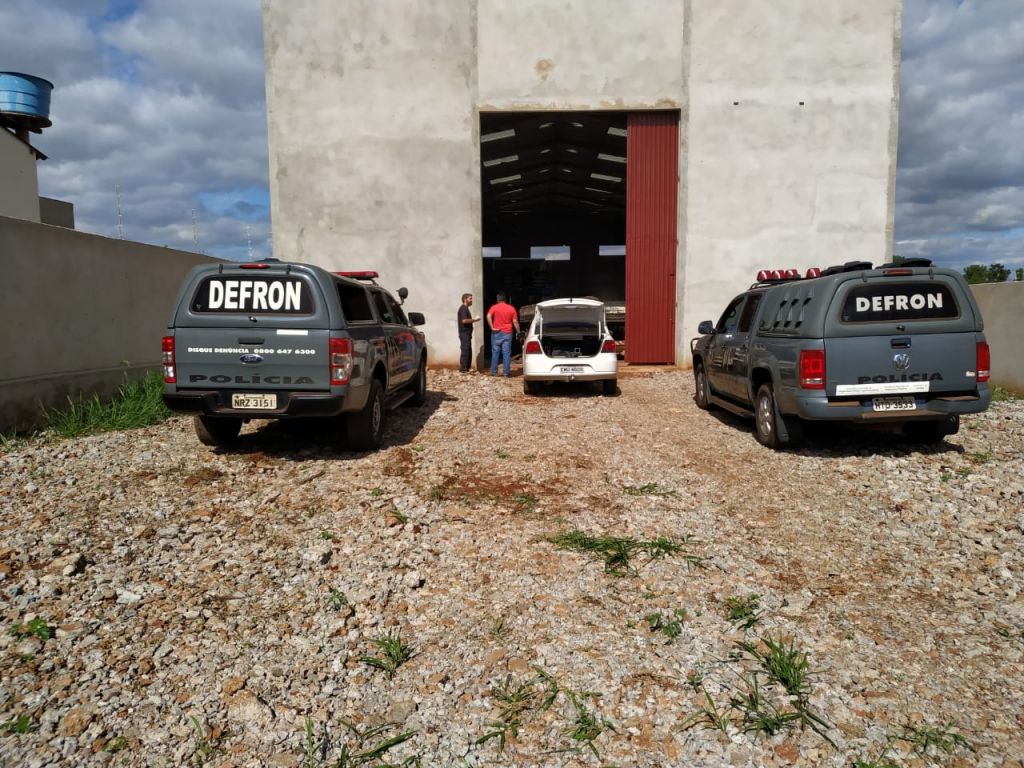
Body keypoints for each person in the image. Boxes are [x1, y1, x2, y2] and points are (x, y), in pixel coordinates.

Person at [486, 292, 520, 377]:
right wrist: (518, 332)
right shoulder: (511, 308)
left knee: (495, 352)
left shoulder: (494, 307)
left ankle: (494, 372)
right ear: (505, 299)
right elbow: (515, 321)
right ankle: (506, 373)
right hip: (507, 333)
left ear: (498, 299)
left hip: (496, 333)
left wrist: (492, 327)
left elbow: (488, 316)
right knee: (506, 353)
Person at [456, 292, 480, 372]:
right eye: (470, 298)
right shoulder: (463, 308)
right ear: (465, 299)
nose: (471, 300)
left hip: (467, 333)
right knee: (465, 349)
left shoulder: (466, 308)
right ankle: (463, 368)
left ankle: (467, 367)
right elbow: (464, 320)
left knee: (468, 349)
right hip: (464, 333)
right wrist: (474, 320)